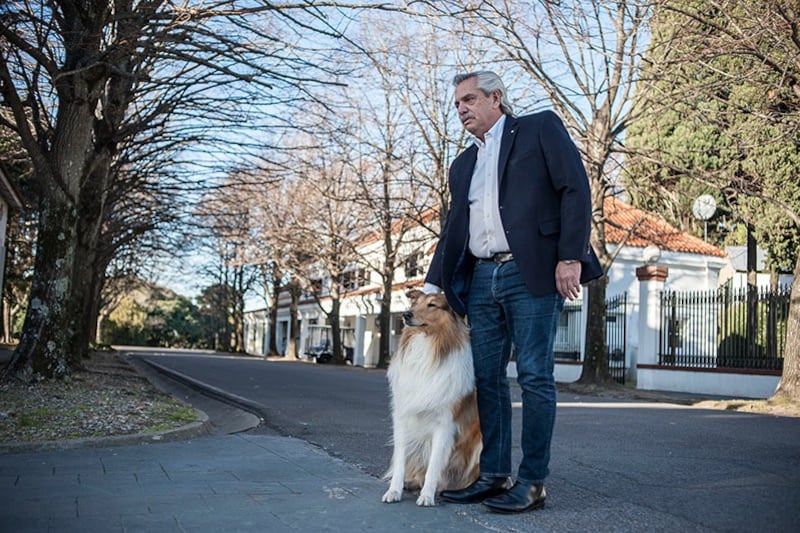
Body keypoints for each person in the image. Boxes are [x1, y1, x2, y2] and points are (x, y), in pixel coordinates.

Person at [424, 71, 602, 514]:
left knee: (535, 375)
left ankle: (533, 482)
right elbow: (454, 229)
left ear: (495, 98)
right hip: (482, 277)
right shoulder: (462, 164)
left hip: (532, 272)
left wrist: (570, 256)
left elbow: (574, 189)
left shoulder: (539, 128)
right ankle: (494, 475)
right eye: (457, 104)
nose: (462, 109)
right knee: (487, 379)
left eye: (469, 99)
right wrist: (432, 284)